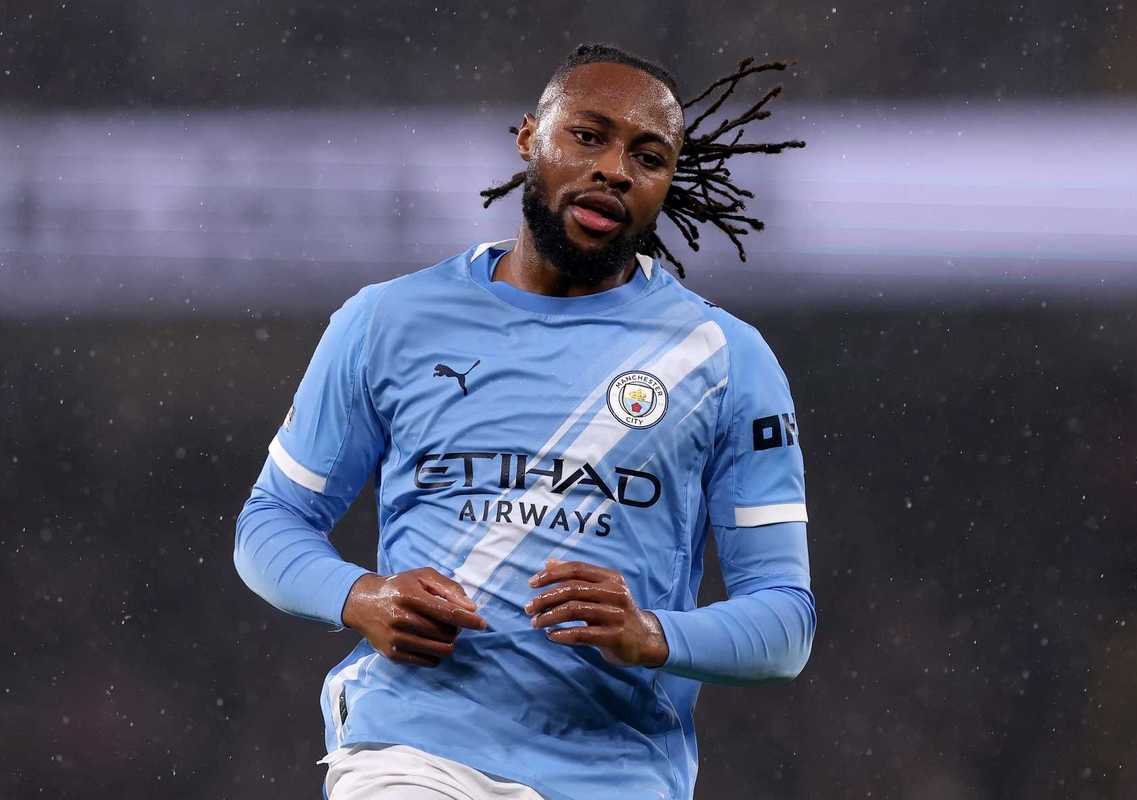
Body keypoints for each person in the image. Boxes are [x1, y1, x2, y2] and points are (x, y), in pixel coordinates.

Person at [233, 42, 815, 800]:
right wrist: (360, 597)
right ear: (528, 137)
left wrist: (652, 634)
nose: (615, 168)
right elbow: (272, 520)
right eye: (588, 135)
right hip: (416, 751)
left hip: (619, 772)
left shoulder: (726, 360)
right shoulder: (388, 321)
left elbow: (785, 622)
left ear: (667, 183)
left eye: (649, 156)